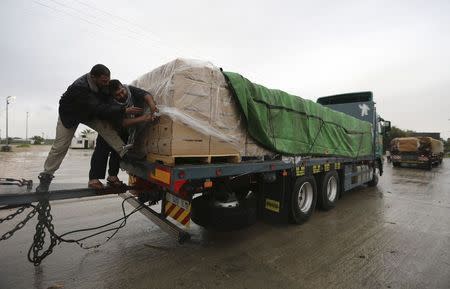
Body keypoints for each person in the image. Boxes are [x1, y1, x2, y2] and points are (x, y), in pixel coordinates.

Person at [36, 65, 142, 192]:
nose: (107, 83)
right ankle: (46, 176)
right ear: (93, 77)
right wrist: (123, 110)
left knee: (107, 129)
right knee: (60, 146)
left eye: (108, 80)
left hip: (90, 113)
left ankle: (124, 152)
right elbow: (98, 108)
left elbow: (108, 101)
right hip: (70, 114)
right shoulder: (79, 88)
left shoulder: (104, 84)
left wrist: (122, 109)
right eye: (104, 81)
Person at [88, 79, 158, 189]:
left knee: (118, 152)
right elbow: (122, 122)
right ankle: (94, 179)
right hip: (109, 129)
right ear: (112, 96)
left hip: (124, 131)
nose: (122, 95)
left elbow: (146, 95)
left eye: (122, 91)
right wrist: (143, 118)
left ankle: (112, 177)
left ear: (123, 87)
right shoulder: (110, 103)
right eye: (118, 95)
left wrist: (153, 107)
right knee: (102, 151)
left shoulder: (129, 90)